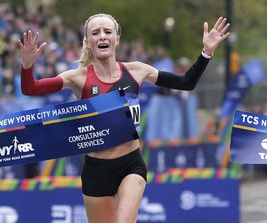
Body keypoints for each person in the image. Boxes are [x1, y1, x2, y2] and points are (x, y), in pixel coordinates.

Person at [17, 13, 230, 223]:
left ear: (116, 39)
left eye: (107, 32)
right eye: (96, 33)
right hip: (96, 169)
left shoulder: (137, 70)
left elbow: (186, 83)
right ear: (88, 42)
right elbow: (31, 89)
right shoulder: (78, 77)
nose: (102, 36)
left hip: (130, 165)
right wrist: (27, 65)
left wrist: (206, 53)